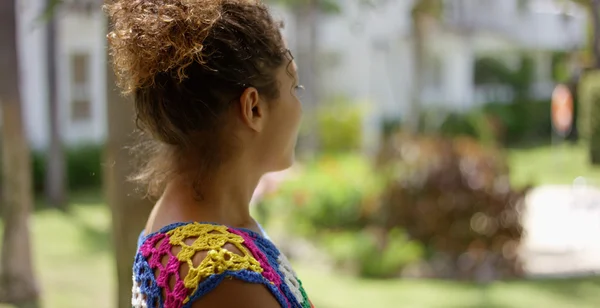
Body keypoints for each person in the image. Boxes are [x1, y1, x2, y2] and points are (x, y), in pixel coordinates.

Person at [105, 0, 312, 307]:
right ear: (253, 107)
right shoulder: (225, 279)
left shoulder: (188, 213)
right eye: (294, 87)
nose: (300, 107)